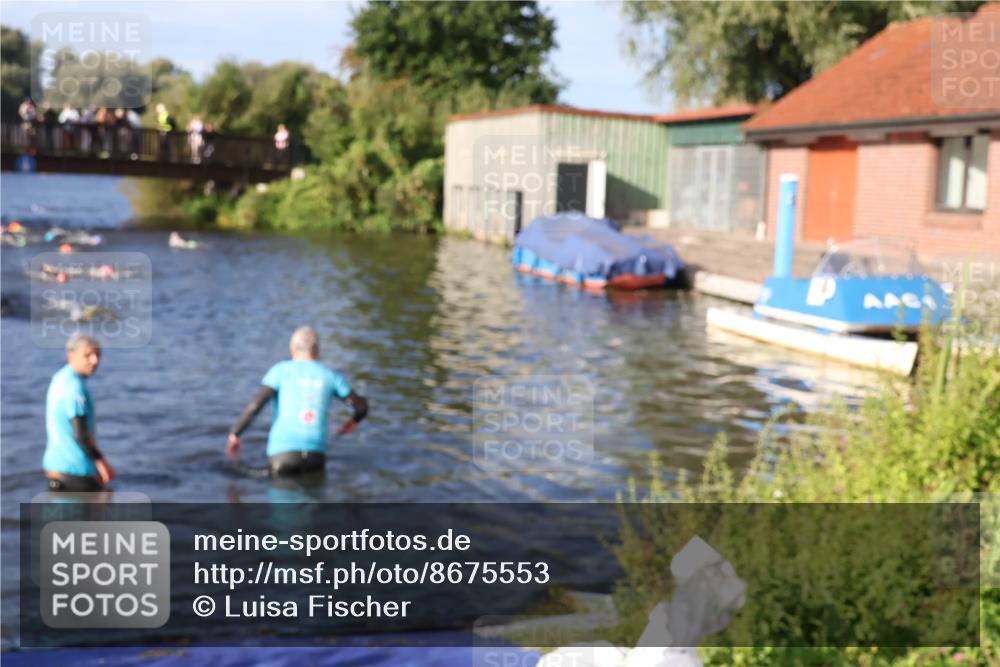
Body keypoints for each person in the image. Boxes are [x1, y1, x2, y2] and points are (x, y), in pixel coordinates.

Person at [227, 326, 368, 477]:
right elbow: (361, 407)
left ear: (292, 348)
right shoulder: (330, 376)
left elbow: (255, 407)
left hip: (283, 456)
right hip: (316, 457)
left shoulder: (280, 371)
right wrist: (352, 422)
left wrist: (235, 434)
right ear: (317, 350)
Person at [43, 334, 115, 492]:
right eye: (88, 355)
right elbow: (81, 433)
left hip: (55, 468)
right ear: (71, 355)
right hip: (75, 470)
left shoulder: (60, 378)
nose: (94, 361)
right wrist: (102, 463)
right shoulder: (73, 388)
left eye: (98, 355)